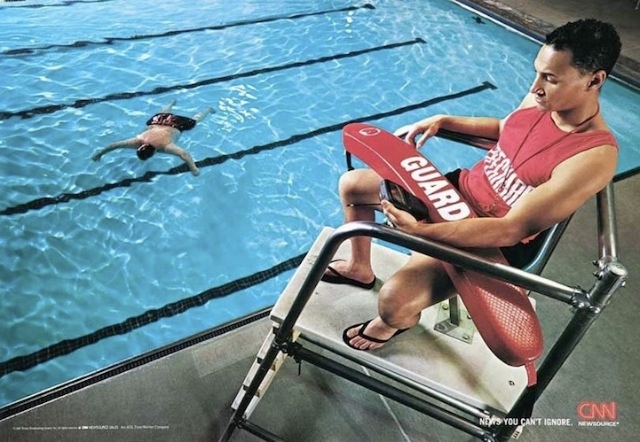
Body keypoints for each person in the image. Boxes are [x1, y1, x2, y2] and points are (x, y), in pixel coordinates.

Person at [323, 19, 622, 351]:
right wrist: (445, 121)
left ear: (594, 80)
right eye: (537, 73)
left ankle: (395, 322)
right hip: (454, 194)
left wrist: (419, 231)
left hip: (488, 240)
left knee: (392, 304)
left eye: (550, 79)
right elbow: (506, 129)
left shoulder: (594, 156)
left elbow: (510, 229)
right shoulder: (543, 99)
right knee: (354, 185)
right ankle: (359, 268)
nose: (535, 87)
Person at [92, 100, 213, 176]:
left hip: (175, 125)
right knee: (164, 114)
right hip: (157, 121)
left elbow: (184, 154)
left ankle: (207, 110)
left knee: (195, 120)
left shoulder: (164, 146)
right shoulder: (138, 140)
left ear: (154, 152)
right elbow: (115, 145)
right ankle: (172, 102)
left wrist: (194, 169)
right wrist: (99, 154)